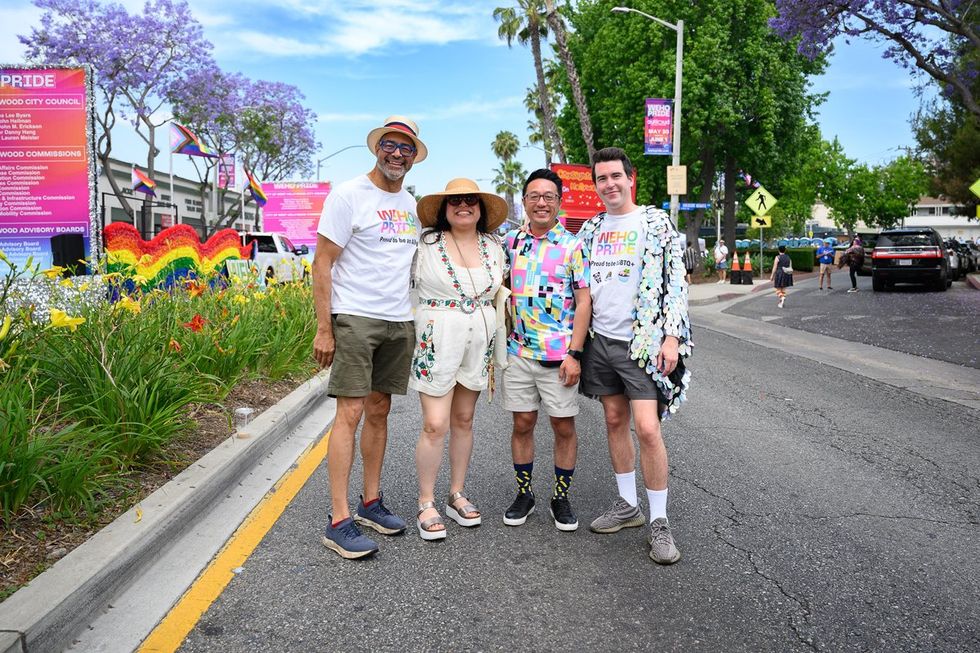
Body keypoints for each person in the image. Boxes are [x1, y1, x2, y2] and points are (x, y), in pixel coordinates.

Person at [312, 115, 426, 559]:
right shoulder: (348, 195)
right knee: (351, 413)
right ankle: (339, 520)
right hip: (356, 318)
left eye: (406, 148)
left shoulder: (412, 205)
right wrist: (325, 328)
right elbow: (322, 263)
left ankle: (370, 502)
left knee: (380, 410)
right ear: (377, 148)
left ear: (414, 157)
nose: (397, 154)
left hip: (398, 320)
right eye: (390, 145)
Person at [578, 147, 692, 565]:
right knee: (614, 420)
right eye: (601, 178)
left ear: (631, 178)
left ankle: (659, 521)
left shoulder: (655, 223)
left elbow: (676, 282)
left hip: (642, 343)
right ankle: (628, 505)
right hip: (601, 341)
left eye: (615, 176)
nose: (609, 184)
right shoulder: (591, 228)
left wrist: (672, 337)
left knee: (646, 428)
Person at [409, 179, 507, 541]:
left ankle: (456, 493)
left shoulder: (493, 246)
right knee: (435, 423)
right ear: (443, 208)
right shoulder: (426, 245)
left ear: (480, 209)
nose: (463, 206)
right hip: (438, 337)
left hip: (478, 338)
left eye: (470, 200)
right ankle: (426, 501)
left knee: (464, 419)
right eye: (455, 201)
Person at [501, 169, 591, 532]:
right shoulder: (510, 242)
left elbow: (584, 302)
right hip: (519, 353)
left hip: (559, 358)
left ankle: (560, 496)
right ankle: (524, 493)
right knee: (522, 424)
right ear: (524, 201)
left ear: (559, 202)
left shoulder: (572, 246)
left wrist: (575, 353)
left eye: (549, 196)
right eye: (534, 196)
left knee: (563, 426)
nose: (542, 203)